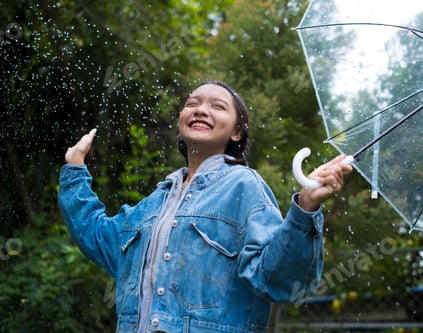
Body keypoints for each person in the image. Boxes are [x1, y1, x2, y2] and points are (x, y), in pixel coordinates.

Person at [58, 80, 352, 333]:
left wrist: (306, 207)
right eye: (192, 103)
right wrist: (74, 170)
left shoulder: (243, 187)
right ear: (181, 122)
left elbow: (283, 282)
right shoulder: (155, 203)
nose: (200, 109)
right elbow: (97, 235)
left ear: (237, 132)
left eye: (218, 106)